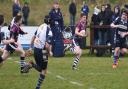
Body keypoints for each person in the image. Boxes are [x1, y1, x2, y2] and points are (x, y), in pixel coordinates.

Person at [23, 15, 53, 89]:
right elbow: (46, 45)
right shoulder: (49, 30)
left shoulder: (40, 26)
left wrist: (30, 47)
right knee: (43, 70)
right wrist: (50, 52)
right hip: (42, 51)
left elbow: (33, 37)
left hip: (36, 49)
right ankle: (32, 65)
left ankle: (32, 65)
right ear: (50, 22)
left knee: (41, 69)